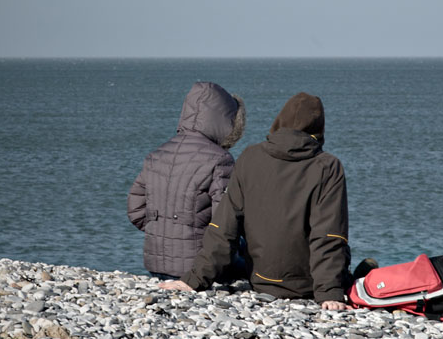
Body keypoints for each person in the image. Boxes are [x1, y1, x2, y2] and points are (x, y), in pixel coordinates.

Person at [160, 92, 353, 310]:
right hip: (306, 285)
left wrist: (193, 280)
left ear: (279, 122)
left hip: (261, 280)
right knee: (354, 262)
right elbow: (327, 235)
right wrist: (329, 293)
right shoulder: (327, 166)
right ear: (318, 128)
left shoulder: (250, 157)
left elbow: (224, 227)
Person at [127, 81, 246, 278]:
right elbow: (224, 220)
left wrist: (162, 231)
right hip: (198, 267)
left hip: (156, 263)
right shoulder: (219, 159)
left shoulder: (157, 155)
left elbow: (135, 209)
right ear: (225, 121)